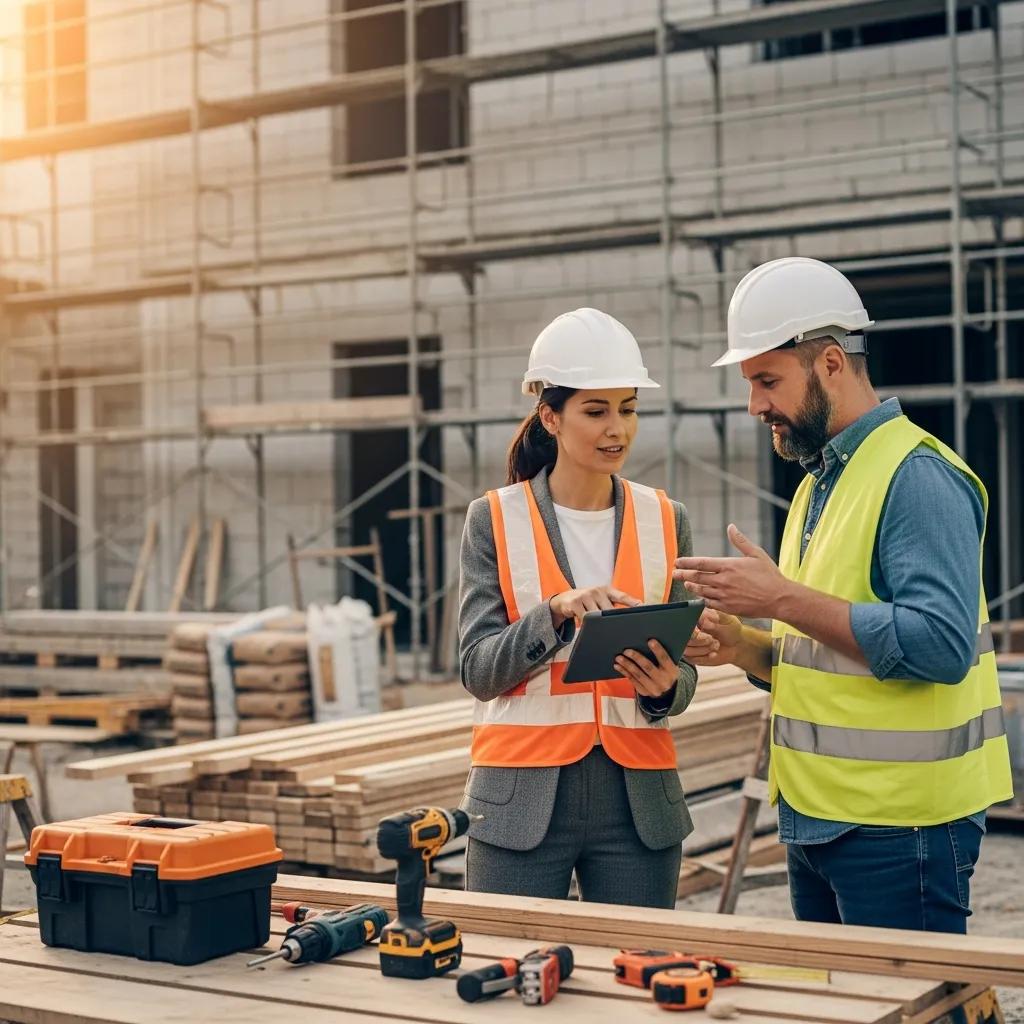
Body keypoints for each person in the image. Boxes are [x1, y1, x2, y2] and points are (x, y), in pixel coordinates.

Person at [676, 257, 1013, 934]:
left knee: (903, 993)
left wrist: (780, 599)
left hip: (901, 826)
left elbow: (940, 647)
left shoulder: (916, 476)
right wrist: (744, 645)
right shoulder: (817, 485)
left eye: (768, 381)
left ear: (831, 362)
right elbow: (826, 654)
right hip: (818, 817)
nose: (755, 406)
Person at [458, 307, 697, 909]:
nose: (617, 429)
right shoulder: (494, 518)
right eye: (595, 411)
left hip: (639, 803)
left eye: (628, 409)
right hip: (518, 801)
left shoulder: (666, 519)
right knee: (506, 966)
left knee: (637, 967)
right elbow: (478, 670)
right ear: (551, 417)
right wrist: (555, 613)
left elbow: (685, 670)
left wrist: (668, 687)